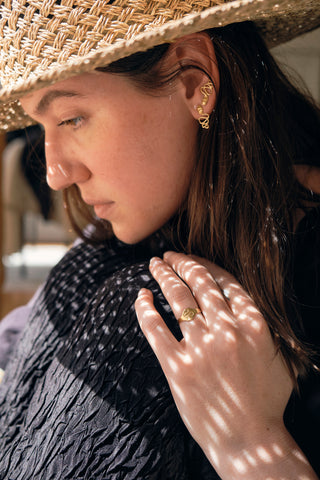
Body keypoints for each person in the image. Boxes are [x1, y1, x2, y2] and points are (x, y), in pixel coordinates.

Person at [0, 0, 319, 478]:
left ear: (194, 82)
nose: (54, 174)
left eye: (71, 119)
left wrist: (251, 441)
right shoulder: (129, 233)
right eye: (39, 128)